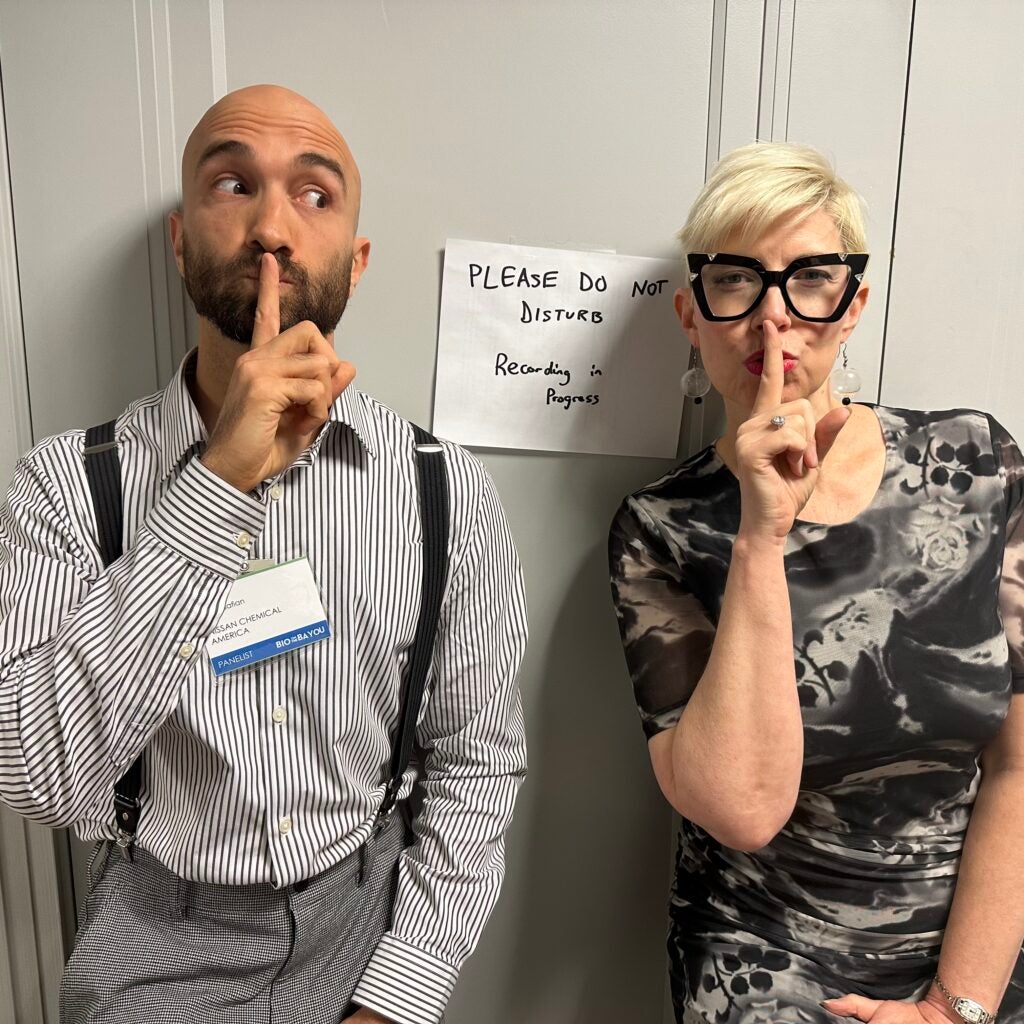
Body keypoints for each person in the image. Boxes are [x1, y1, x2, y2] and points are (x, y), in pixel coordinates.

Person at [0, 84, 528, 1024]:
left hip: (370, 920)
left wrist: (399, 997)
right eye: (233, 183)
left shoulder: (444, 491)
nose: (273, 227)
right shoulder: (63, 489)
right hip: (154, 940)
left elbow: (475, 761)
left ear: (356, 262)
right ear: (180, 240)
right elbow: (36, 773)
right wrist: (215, 483)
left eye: (314, 195)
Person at [609, 142, 1024, 1024]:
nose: (773, 323)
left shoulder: (980, 465)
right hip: (762, 963)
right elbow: (742, 811)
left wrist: (957, 1005)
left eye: (810, 280)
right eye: (734, 282)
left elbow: (1021, 768)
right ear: (690, 313)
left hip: (975, 960)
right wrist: (762, 534)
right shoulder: (662, 528)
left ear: (853, 304)